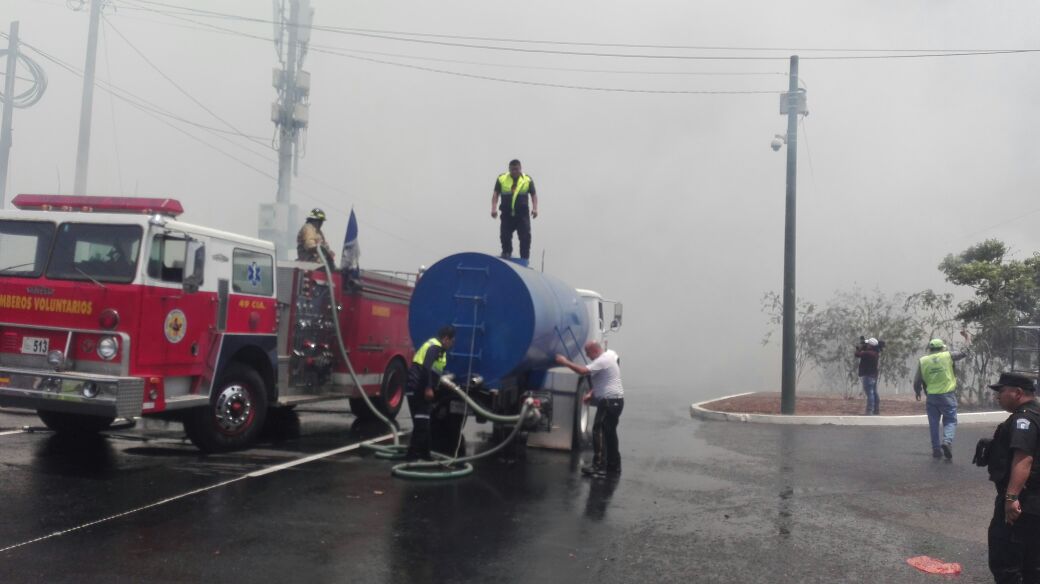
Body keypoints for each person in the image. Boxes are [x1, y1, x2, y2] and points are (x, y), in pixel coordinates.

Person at [984, 372, 1040, 583]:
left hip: (1022, 503)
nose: (998, 396)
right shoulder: (1036, 414)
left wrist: (1011, 498)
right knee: (1032, 565)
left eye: (1001, 391)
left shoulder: (1023, 419)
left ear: (1017, 393)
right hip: (1034, 503)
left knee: (1006, 562)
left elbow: (1023, 459)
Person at [556, 341, 624, 478]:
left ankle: (599, 467)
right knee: (609, 433)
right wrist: (592, 393)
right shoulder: (610, 356)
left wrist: (565, 362)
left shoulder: (601, 360)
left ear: (594, 350)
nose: (587, 355)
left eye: (587, 352)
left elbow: (582, 371)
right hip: (617, 401)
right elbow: (606, 378)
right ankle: (614, 465)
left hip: (608, 402)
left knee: (598, 431)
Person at [913, 332, 971, 460]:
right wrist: (967, 338)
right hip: (947, 395)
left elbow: (917, 380)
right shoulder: (948, 356)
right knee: (950, 420)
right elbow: (964, 351)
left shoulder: (923, 360)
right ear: (942, 348)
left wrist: (917, 392)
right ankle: (947, 442)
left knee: (933, 423)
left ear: (930, 349)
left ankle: (936, 449)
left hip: (932, 396)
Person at [405, 325, 455, 461]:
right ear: (446, 339)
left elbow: (433, 370)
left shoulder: (436, 348)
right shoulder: (435, 347)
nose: (451, 345)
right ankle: (411, 458)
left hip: (416, 388)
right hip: (418, 389)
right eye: (452, 341)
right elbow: (426, 367)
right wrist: (428, 388)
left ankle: (425, 455)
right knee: (422, 425)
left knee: (425, 424)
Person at [491, 159, 538, 263]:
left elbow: (534, 195)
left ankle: (524, 259)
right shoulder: (502, 179)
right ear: (509, 169)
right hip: (507, 215)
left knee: (525, 236)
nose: (514, 171)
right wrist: (493, 209)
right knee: (505, 235)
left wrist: (535, 209)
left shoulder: (527, 180)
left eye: (516, 169)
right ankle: (506, 254)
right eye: (512, 169)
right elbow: (495, 194)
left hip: (522, 215)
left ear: (520, 168)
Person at [855, 337, 881, 415]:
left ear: (870, 345)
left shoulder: (868, 353)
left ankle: (870, 410)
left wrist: (859, 349)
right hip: (874, 375)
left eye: (868, 344)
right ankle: (876, 410)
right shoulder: (875, 353)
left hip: (868, 375)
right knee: (874, 392)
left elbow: (857, 354)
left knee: (870, 393)